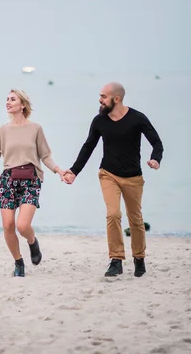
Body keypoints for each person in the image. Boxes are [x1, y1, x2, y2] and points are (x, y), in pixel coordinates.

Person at [63, 82, 163, 278]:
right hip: (108, 174)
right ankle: (116, 260)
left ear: (116, 99)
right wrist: (74, 171)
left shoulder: (137, 118)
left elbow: (156, 142)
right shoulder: (99, 121)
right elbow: (88, 146)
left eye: (103, 96)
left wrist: (155, 159)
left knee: (135, 219)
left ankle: (139, 258)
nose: (100, 100)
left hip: (134, 177)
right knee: (113, 214)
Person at [0, 89, 66, 277]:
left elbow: (45, 156)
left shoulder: (35, 128)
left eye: (13, 99)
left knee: (22, 225)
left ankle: (32, 242)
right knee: (8, 225)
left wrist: (59, 171)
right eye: (7, 99)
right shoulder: (3, 130)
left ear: (23, 105)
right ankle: (19, 262)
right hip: (8, 180)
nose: (8, 102)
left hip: (31, 180)